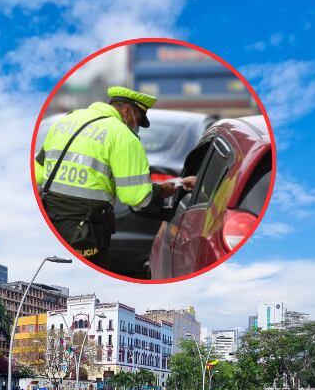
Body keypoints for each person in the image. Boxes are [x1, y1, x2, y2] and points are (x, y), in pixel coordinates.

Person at [35, 86, 196, 269]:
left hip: (49, 219)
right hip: (83, 231)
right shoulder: (122, 135)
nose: (136, 127)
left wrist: (178, 181)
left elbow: (38, 174)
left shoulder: (67, 120)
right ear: (127, 111)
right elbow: (137, 197)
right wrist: (164, 190)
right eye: (138, 120)